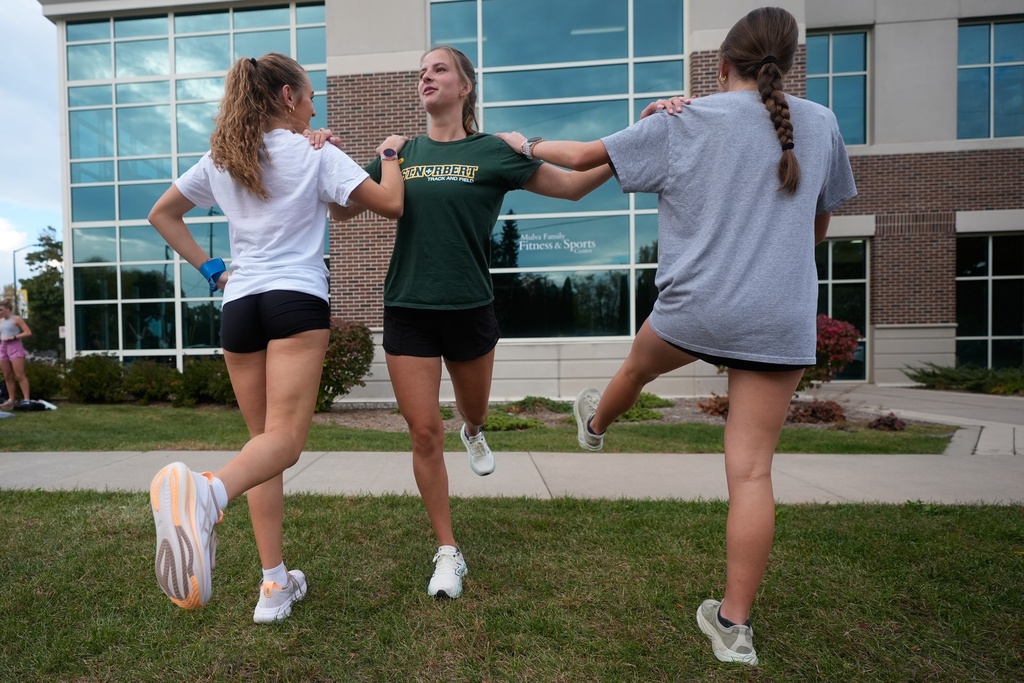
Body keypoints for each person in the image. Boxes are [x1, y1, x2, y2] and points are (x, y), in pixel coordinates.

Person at [498, 6, 857, 666]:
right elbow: (819, 222)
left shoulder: (682, 119)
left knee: (638, 367)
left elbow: (578, 163)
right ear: (788, 63)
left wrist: (523, 144)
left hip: (697, 310)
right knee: (751, 472)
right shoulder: (822, 124)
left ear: (721, 65)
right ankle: (733, 626)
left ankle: (596, 423)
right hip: (778, 317)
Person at [328, 45, 668, 599]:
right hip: (408, 306)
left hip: (469, 307)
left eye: (439, 69)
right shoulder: (402, 152)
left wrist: (637, 141)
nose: (426, 77)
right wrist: (355, 156)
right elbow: (342, 209)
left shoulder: (493, 152)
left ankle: (476, 431)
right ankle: (447, 551)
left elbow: (574, 185)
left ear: (466, 88)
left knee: (474, 408)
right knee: (422, 432)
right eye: (421, 71)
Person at [146, 52, 406, 623]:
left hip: (240, 306)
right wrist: (388, 153)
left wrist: (212, 269)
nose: (316, 108)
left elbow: (162, 214)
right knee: (284, 442)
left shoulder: (223, 157)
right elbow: (391, 205)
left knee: (261, 448)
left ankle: (273, 586)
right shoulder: (315, 152)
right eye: (312, 96)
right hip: (294, 301)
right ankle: (207, 493)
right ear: (288, 96)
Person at [0, 299, 32, 409]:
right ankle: (11, 399)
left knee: (19, 375)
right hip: (3, 347)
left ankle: (27, 399)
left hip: (15, 346)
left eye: (1, 310)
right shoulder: (1, 321)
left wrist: (13, 337)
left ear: (8, 309)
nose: (0, 312)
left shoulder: (16, 319)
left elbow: (28, 332)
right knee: (7, 375)